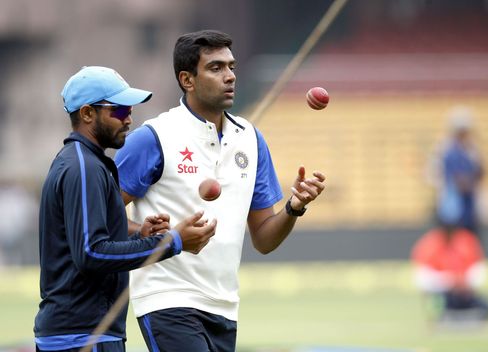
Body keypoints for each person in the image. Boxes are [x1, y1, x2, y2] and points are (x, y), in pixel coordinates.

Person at [114, 30, 326, 352]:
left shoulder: (251, 139)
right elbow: (101, 214)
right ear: (188, 80)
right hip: (167, 296)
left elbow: (265, 239)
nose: (229, 77)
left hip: (225, 304)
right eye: (216, 68)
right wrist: (161, 236)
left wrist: (294, 207)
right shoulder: (153, 137)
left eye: (231, 66)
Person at [34, 66, 217, 352]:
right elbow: (91, 253)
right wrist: (173, 241)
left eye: (129, 109)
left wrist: (139, 237)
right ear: (86, 114)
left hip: (86, 333)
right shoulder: (84, 168)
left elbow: (90, 246)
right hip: (83, 336)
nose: (129, 118)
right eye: (118, 110)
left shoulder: (87, 163)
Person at [411, 219, 488, 322]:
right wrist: (449, 281)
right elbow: (422, 275)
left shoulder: (466, 240)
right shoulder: (430, 242)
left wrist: (463, 282)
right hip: (442, 290)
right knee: (438, 303)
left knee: (482, 305)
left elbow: (478, 269)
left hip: (464, 289)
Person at [426, 106, 485, 236]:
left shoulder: (470, 149)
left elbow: (481, 171)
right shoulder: (448, 150)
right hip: (454, 207)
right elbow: (458, 179)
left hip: (467, 206)